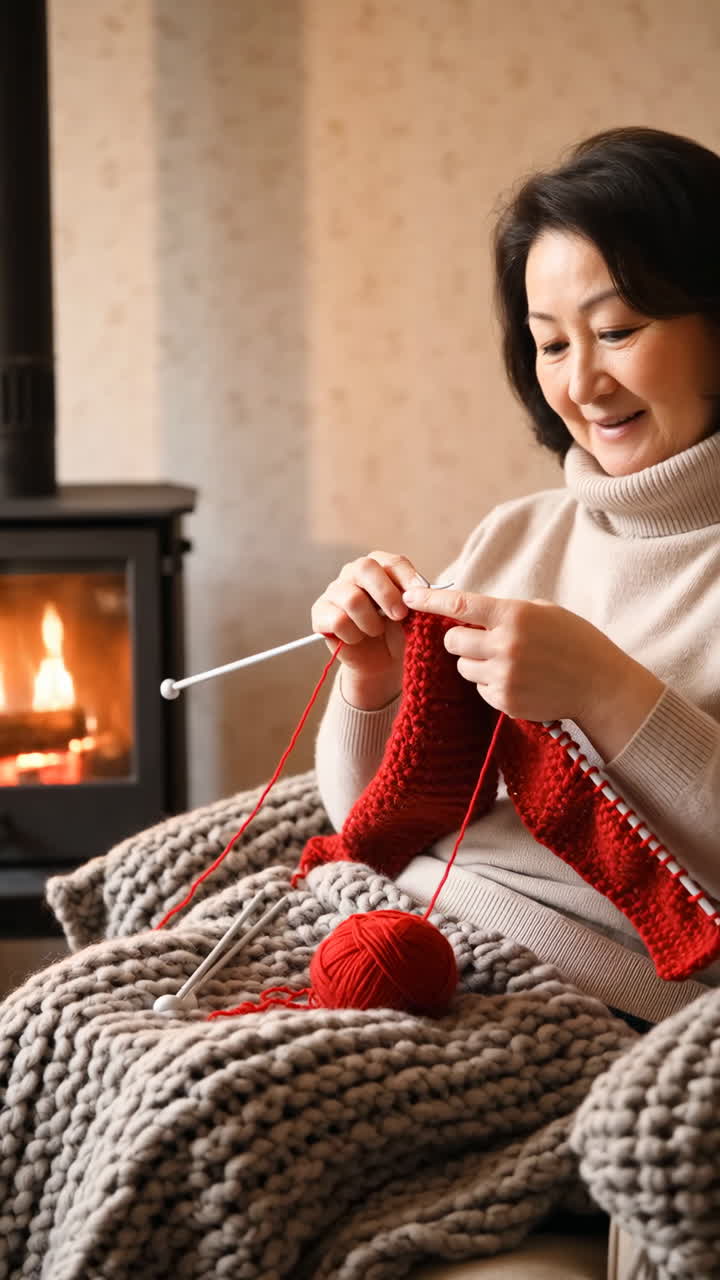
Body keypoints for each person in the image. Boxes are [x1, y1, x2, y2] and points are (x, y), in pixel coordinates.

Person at [310, 125, 720, 1033]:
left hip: (594, 996)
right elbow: (372, 821)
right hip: (398, 924)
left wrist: (606, 691)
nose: (584, 384)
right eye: (551, 344)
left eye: (616, 331)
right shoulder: (518, 534)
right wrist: (374, 680)